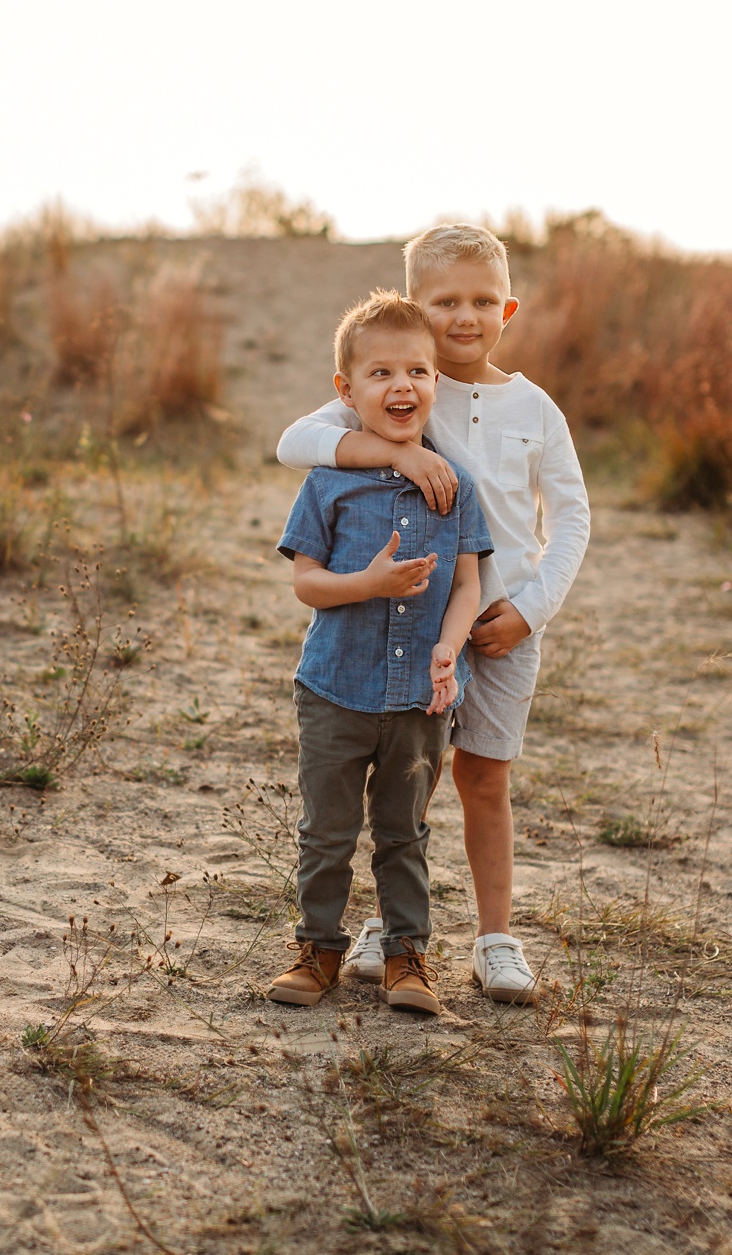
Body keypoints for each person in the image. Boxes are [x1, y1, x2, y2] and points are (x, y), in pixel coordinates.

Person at [276, 225, 590, 1004]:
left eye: (483, 300)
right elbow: (296, 441)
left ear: (508, 308)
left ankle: (495, 940)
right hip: (411, 628)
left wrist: (531, 611)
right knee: (405, 785)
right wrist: (395, 454)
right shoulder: (402, 383)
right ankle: (394, 930)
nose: (465, 316)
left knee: (483, 778)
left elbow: (572, 519)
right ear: (417, 306)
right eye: (444, 300)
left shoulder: (535, 407)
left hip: (504, 622)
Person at [266, 290, 492, 1017]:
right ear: (347, 390)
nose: (403, 387)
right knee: (326, 831)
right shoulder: (327, 481)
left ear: (436, 384)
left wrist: (450, 650)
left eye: (419, 372)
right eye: (382, 374)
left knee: (405, 834)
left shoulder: (455, 489)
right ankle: (319, 950)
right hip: (334, 688)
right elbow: (306, 583)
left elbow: (467, 586)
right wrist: (364, 583)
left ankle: (407, 958)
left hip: (418, 701)